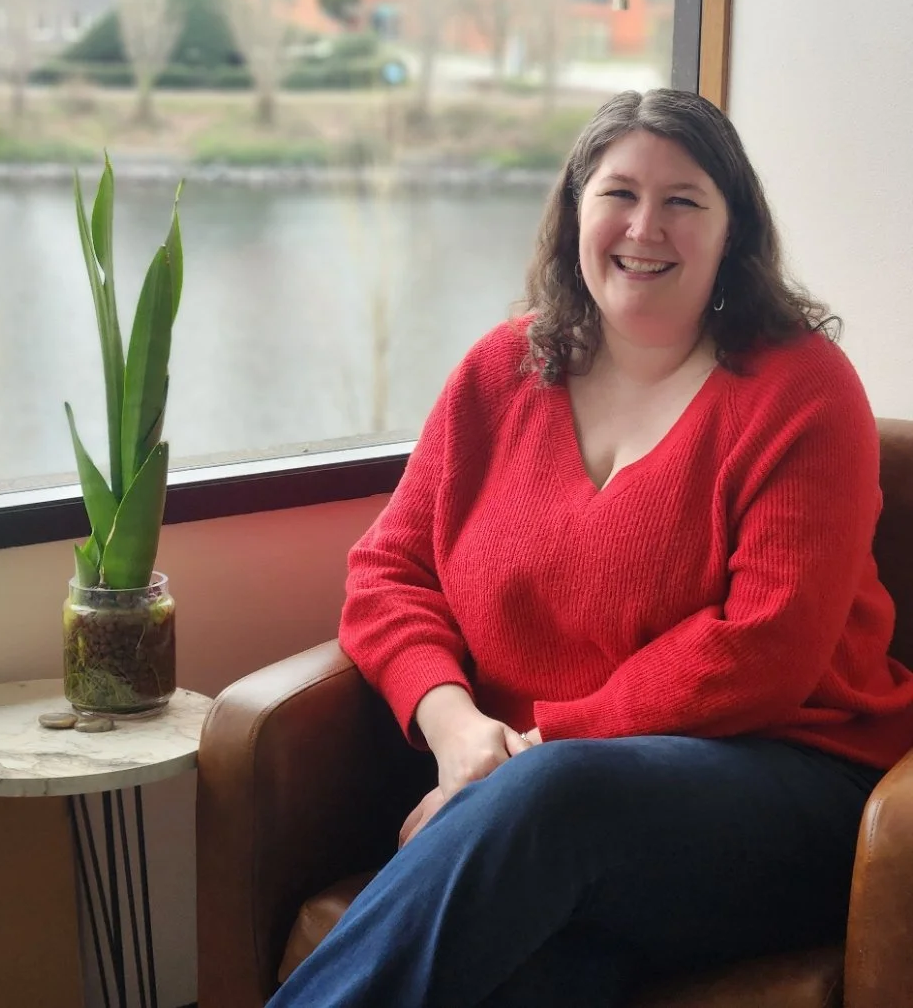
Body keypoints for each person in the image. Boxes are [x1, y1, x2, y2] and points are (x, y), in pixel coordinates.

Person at [269, 89, 913, 1008]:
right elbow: (388, 573)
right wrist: (458, 736)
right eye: (618, 193)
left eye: (683, 200)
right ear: (575, 210)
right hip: (538, 817)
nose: (645, 227)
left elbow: (765, 647)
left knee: (559, 804)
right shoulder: (500, 372)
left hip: (794, 789)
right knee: (534, 968)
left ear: (733, 229)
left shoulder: (805, 391)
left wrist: (531, 758)